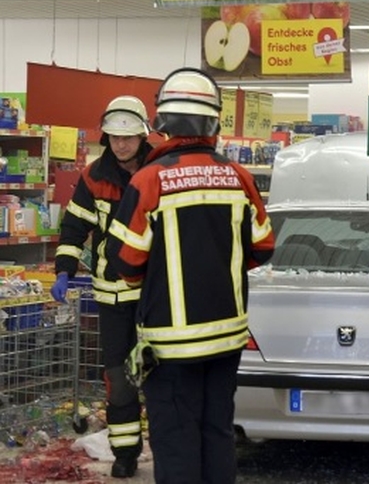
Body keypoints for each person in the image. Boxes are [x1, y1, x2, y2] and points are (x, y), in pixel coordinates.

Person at [106, 67, 275, 484]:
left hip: (170, 346)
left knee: (177, 439)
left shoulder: (149, 181)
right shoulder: (240, 178)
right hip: (228, 338)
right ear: (214, 122)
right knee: (217, 433)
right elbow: (264, 248)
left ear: (162, 124)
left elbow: (125, 263)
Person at [51, 96, 153, 478]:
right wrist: (64, 268)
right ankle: (125, 453)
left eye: (128, 138)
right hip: (112, 297)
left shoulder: (160, 169)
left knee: (160, 376)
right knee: (119, 379)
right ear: (105, 137)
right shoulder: (95, 176)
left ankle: (171, 447)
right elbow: (75, 226)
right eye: (114, 138)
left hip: (154, 295)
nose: (121, 145)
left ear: (143, 135)